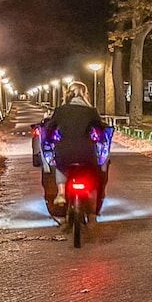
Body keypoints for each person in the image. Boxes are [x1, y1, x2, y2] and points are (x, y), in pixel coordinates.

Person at [44, 82, 110, 217]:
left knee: (60, 166)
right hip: (86, 153)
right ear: (85, 94)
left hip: (65, 151)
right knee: (93, 170)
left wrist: (50, 139)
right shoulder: (91, 111)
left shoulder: (60, 110)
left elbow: (50, 128)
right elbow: (101, 130)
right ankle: (91, 198)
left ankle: (61, 192)